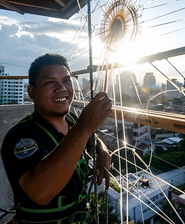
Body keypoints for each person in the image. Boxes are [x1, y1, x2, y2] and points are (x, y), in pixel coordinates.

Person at [1, 54, 112, 223]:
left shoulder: (72, 121)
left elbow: (93, 139)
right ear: (32, 91)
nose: (62, 88)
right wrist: (84, 127)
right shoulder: (21, 136)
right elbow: (40, 193)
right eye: (50, 82)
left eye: (67, 80)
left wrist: (103, 154)